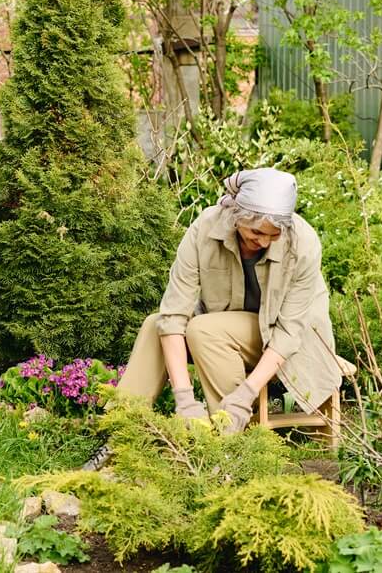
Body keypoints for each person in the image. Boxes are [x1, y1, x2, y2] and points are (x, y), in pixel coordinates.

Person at [83, 168, 341, 471]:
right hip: (224, 329)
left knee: (205, 329)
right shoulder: (205, 228)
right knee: (156, 324)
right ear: (235, 215)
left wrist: (244, 396)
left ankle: (227, 441)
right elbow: (174, 313)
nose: (264, 242)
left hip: (287, 339)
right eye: (256, 232)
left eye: (274, 235)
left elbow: (288, 333)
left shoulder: (303, 243)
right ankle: (122, 430)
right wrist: (185, 402)